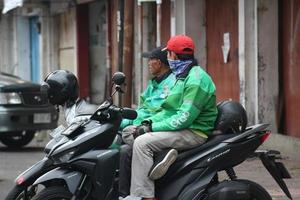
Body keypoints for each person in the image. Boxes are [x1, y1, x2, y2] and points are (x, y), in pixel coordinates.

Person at [127, 35, 218, 200]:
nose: (168, 58)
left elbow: (184, 118)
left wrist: (151, 127)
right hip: (178, 128)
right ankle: (162, 158)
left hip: (193, 132)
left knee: (141, 143)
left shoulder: (196, 79)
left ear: (173, 56)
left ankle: (146, 196)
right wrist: (148, 122)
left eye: (168, 54)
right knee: (128, 132)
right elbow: (168, 110)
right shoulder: (181, 75)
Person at [119, 47, 177, 198]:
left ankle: (127, 195)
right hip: (147, 124)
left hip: (157, 127)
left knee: (126, 151)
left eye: (151, 60)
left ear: (160, 62)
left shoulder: (170, 83)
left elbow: (153, 111)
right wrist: (120, 119)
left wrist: (126, 123)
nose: (149, 63)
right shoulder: (155, 83)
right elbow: (142, 109)